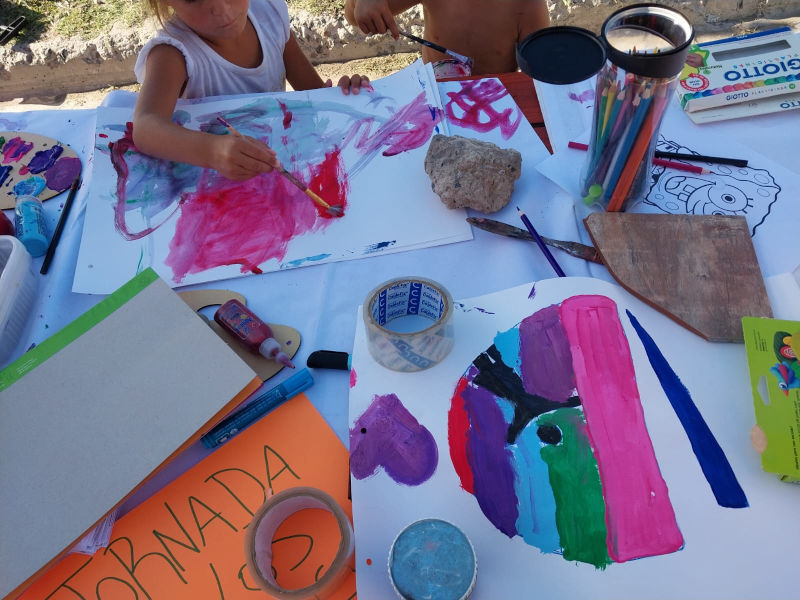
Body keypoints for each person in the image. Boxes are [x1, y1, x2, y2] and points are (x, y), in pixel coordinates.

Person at [133, 0, 371, 181]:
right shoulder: (172, 54)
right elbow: (145, 127)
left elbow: (311, 93)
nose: (221, 9)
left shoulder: (269, 12)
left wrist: (343, 96)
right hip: (219, 187)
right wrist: (212, 151)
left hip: (285, 168)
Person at [344, 0, 549, 76]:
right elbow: (353, 17)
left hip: (494, 110)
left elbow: (543, 77)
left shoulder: (528, 5)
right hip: (433, 103)